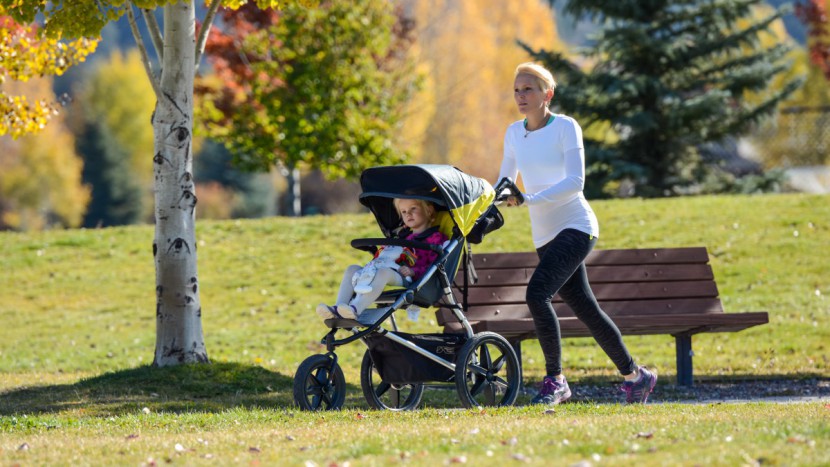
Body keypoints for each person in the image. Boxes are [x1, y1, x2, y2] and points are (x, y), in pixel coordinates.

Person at [497, 62, 657, 404]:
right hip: (545, 236)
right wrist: (483, 201)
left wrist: (529, 199)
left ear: (547, 94)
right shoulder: (513, 132)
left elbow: (575, 182)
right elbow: (503, 182)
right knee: (586, 309)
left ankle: (555, 380)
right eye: (517, 90)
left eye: (529, 89)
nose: (521, 96)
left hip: (576, 226)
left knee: (536, 294)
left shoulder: (566, 127)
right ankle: (636, 376)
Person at [316, 198, 448, 320]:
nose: (408, 214)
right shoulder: (402, 238)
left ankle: (355, 309)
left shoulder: (436, 239)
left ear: (429, 210)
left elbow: (435, 266)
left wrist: (414, 271)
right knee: (352, 269)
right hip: (393, 271)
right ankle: (338, 308)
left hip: (417, 282)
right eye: (403, 211)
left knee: (383, 273)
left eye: (413, 208)